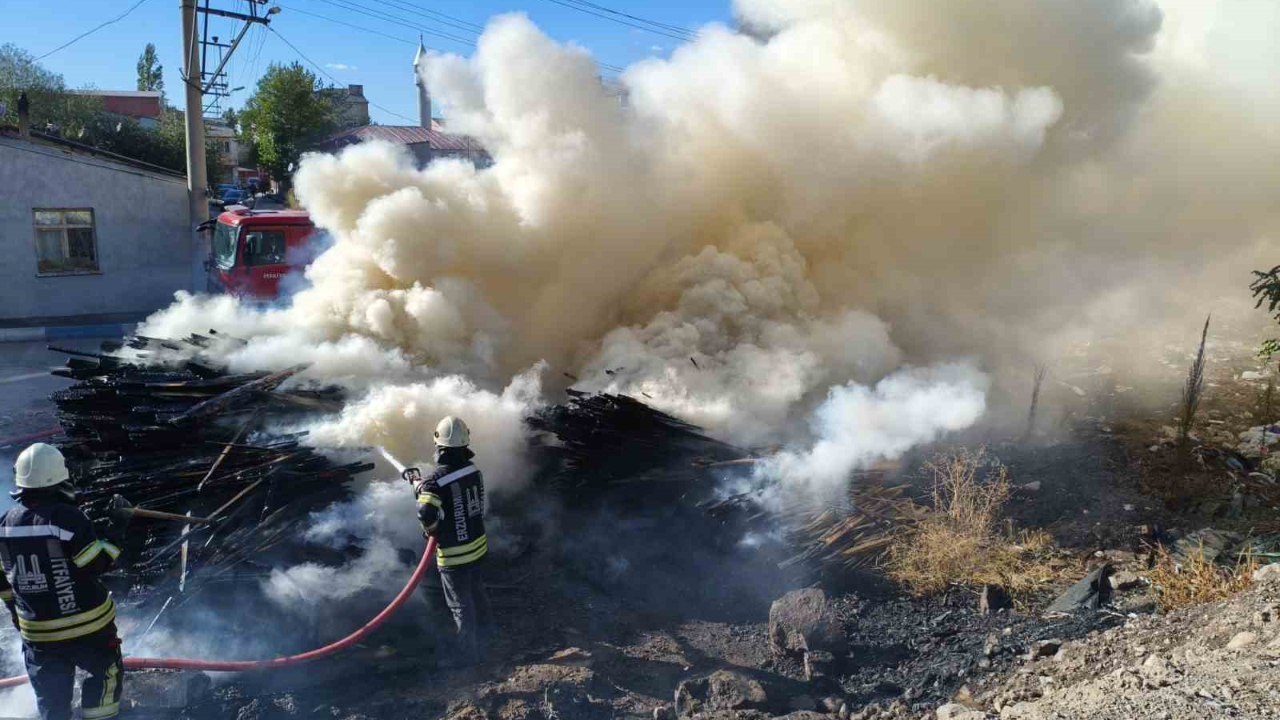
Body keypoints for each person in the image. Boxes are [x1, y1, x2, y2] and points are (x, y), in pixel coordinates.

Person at [0, 443, 123, 720]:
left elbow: (4, 584)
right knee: (105, 674)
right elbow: (97, 564)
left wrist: (16, 616)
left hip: (38, 635)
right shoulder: (66, 517)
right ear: (60, 479)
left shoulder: (4, 523)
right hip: (88, 628)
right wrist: (117, 528)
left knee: (51, 700)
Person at [408, 416, 493, 666]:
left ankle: (468, 656)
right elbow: (460, 499)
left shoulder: (435, 481)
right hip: (478, 547)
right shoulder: (473, 469)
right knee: (477, 592)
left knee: (460, 606)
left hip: (454, 555)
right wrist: (423, 488)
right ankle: (489, 635)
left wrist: (431, 529)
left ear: (439, 445)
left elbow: (426, 513)